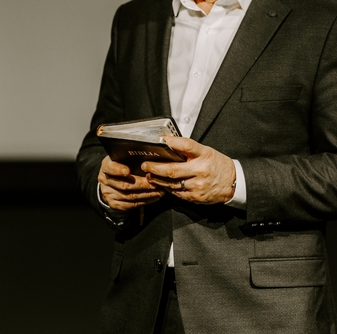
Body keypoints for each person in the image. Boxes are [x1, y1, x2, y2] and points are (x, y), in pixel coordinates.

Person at [76, 0, 337, 332]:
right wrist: (104, 184)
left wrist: (235, 181)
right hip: (143, 303)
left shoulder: (320, 20)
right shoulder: (135, 18)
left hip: (264, 310)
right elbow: (98, 139)